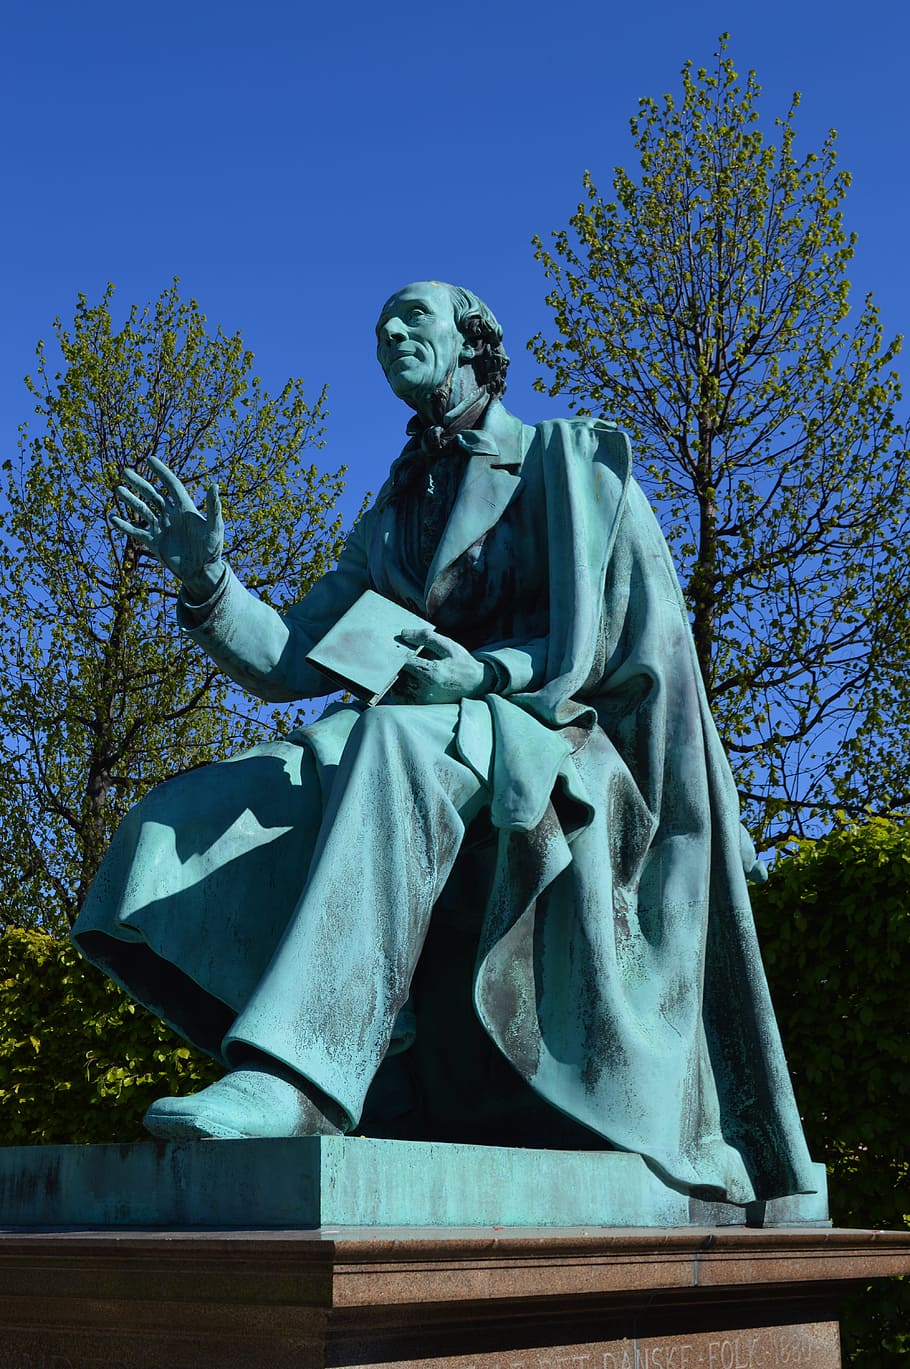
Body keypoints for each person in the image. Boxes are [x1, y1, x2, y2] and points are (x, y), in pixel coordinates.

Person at [73, 281, 815, 1205]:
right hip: (416, 741)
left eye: (411, 316)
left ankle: (301, 1078)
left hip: (548, 739)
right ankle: (369, 1058)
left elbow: (630, 643)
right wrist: (208, 580)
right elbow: (294, 656)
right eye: (377, 321)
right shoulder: (392, 511)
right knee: (195, 809)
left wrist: (485, 675)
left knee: (388, 741)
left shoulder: (565, 464)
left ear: (474, 341)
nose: (387, 331)